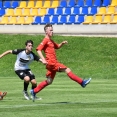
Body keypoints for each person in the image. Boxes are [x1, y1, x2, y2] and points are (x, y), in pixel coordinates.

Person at [30, 24, 91, 102]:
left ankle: (34, 91)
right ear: (46, 31)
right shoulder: (45, 40)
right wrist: (43, 60)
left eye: (52, 30)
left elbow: (57, 46)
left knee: (49, 81)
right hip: (52, 63)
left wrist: (62, 43)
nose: (52, 31)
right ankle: (82, 83)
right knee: (67, 70)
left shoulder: (51, 41)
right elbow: (38, 49)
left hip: (52, 64)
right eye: (50, 30)